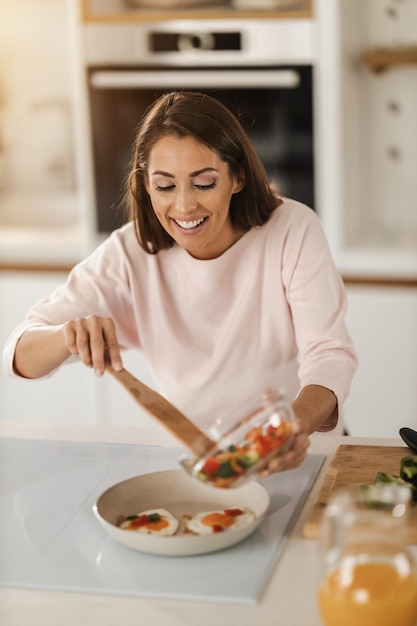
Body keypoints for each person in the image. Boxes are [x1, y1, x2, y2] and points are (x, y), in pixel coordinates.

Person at [2, 91, 357, 474]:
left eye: (204, 183)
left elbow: (329, 355)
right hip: (200, 467)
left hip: (301, 457)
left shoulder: (292, 229)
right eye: (166, 186)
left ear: (236, 176)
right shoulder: (128, 253)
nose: (185, 206)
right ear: (147, 185)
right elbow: (18, 353)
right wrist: (67, 335)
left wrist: (289, 429)